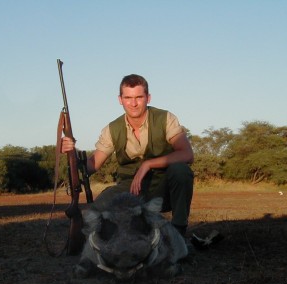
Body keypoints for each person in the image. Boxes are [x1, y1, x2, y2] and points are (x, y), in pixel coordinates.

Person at [61, 74, 194, 237]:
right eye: (128, 98)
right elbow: (92, 165)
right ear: (120, 99)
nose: (133, 103)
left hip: (163, 189)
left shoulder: (165, 118)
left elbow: (187, 154)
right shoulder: (112, 129)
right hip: (130, 188)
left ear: (148, 98)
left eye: (139, 97)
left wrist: (148, 164)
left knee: (181, 171)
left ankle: (179, 232)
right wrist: (71, 153)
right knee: (97, 211)